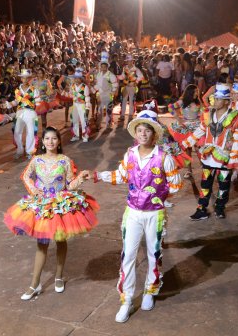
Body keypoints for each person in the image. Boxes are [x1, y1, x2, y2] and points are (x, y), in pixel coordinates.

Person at [94, 107, 182, 323]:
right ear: (136, 133)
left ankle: (150, 291)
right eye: (140, 130)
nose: (143, 134)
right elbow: (122, 175)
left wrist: (158, 196)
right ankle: (126, 300)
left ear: (154, 134)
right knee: (128, 256)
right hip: (132, 213)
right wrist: (97, 175)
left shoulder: (164, 158)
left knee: (154, 253)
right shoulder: (130, 154)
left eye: (147, 130)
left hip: (155, 214)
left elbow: (177, 185)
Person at [4, 127, 97, 300]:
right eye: (47, 138)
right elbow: (25, 176)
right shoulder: (37, 160)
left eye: (54, 138)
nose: (51, 142)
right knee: (42, 244)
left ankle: (59, 277)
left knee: (61, 241)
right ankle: (35, 284)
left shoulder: (65, 161)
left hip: (60, 206)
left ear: (59, 141)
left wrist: (81, 178)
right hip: (42, 206)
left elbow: (70, 185)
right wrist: (34, 190)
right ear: (43, 141)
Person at [182, 83, 238, 220]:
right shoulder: (208, 114)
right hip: (208, 155)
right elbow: (201, 130)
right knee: (205, 184)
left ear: (226, 101)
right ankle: (202, 209)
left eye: (218, 99)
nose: (214, 101)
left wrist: (234, 156)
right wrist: (188, 141)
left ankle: (220, 208)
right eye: (214, 98)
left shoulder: (235, 116)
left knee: (223, 185)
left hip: (224, 156)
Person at [167, 84, 203, 178]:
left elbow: (203, 111)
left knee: (199, 148)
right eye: (195, 92)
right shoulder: (182, 101)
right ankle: (189, 170)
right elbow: (170, 107)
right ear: (190, 92)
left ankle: (204, 168)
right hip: (185, 127)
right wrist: (178, 119)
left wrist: (201, 115)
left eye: (197, 91)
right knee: (187, 149)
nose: (197, 93)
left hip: (197, 126)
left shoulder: (198, 101)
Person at [11, 68, 39, 159]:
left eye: (27, 78)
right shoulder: (17, 90)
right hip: (20, 113)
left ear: (29, 79)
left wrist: (36, 106)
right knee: (17, 132)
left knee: (30, 132)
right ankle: (19, 150)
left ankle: (29, 151)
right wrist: (8, 105)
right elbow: (16, 102)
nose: (25, 80)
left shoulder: (34, 89)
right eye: (23, 78)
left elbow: (38, 102)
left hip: (30, 112)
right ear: (21, 79)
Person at [68, 68, 91, 142]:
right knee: (74, 120)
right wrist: (63, 93)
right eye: (75, 79)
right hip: (75, 105)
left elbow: (87, 98)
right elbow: (71, 95)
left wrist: (87, 108)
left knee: (84, 120)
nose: (76, 80)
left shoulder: (85, 87)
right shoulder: (72, 86)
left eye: (78, 79)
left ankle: (85, 136)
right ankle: (76, 135)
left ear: (81, 79)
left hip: (82, 105)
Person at [94, 61, 118, 129]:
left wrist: (113, 92)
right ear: (100, 67)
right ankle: (98, 125)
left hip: (108, 94)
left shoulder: (111, 75)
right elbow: (98, 84)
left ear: (107, 67)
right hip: (100, 94)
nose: (103, 68)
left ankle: (108, 125)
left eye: (105, 67)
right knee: (99, 110)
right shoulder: (98, 74)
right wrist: (93, 89)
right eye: (102, 67)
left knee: (109, 110)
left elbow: (115, 84)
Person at [119, 55, 144, 120]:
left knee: (131, 101)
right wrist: (117, 77)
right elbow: (122, 76)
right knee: (123, 101)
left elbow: (141, 76)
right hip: (125, 86)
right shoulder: (125, 68)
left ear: (132, 61)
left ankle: (130, 115)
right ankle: (122, 115)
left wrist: (136, 81)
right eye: (127, 61)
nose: (128, 62)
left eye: (130, 61)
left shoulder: (136, 69)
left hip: (132, 86)